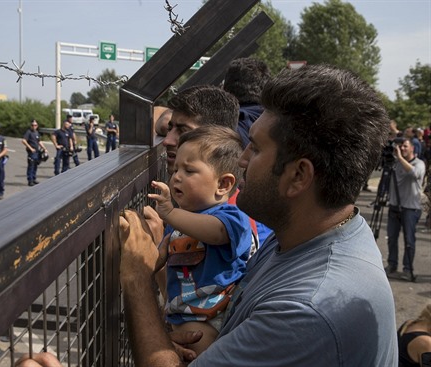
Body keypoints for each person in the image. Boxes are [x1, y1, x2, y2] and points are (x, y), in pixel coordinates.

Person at [118, 65, 397, 366]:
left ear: (298, 175)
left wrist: (136, 279)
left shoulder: (307, 310)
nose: (242, 158)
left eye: (257, 147)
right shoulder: (300, 234)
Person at [149, 125, 251, 355]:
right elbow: (164, 264)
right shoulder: (180, 220)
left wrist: (170, 213)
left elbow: (215, 232)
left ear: (223, 184)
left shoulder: (231, 217)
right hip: (180, 312)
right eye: (176, 170)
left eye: (189, 171)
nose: (176, 177)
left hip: (210, 316)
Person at [222, 57, 273, 245]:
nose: (243, 160)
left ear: (225, 89)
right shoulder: (281, 124)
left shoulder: (226, 127)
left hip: (232, 227)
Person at [385, 137, 426, 281]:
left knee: (409, 240)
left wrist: (400, 158)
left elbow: (414, 174)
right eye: (400, 146)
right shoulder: (395, 163)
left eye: (405, 146)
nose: (402, 148)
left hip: (410, 208)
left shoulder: (419, 163)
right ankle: (392, 264)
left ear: (412, 148)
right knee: (391, 238)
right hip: (394, 206)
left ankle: (408, 269)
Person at [22, 119, 48, 186]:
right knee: (31, 165)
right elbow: (24, 141)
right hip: (31, 152)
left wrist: (44, 148)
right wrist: (30, 148)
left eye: (35, 125)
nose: (34, 126)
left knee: (35, 165)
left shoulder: (37, 132)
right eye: (33, 125)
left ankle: (34, 178)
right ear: (31, 126)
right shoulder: (28, 132)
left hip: (37, 151)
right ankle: (30, 180)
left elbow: (39, 141)